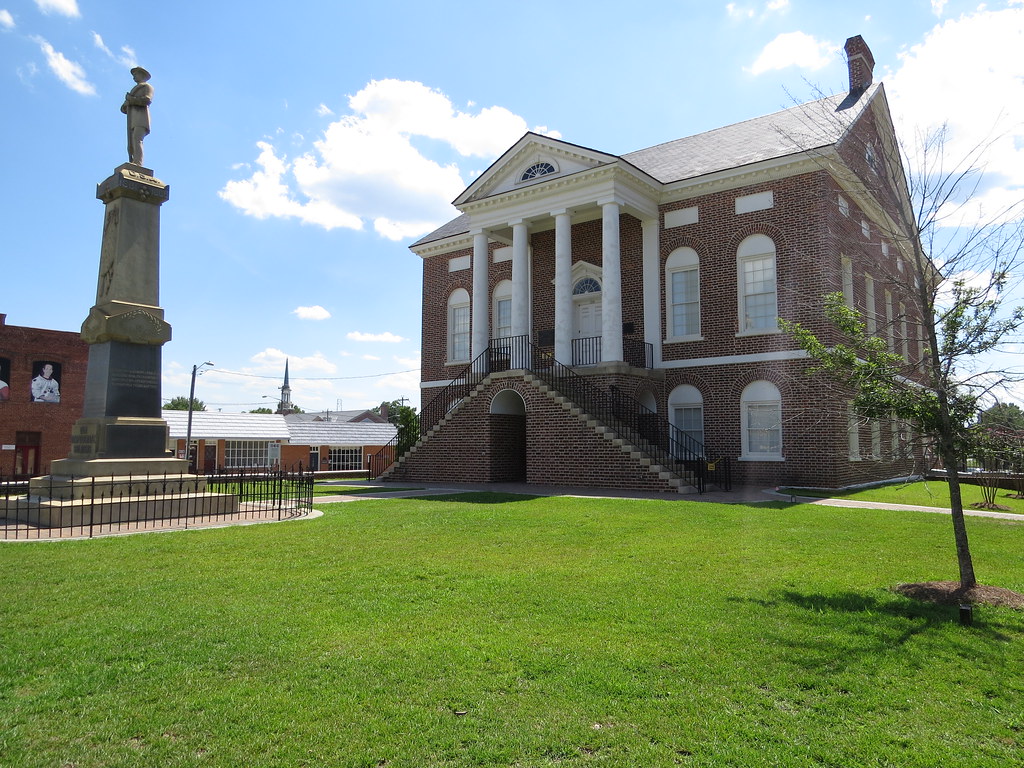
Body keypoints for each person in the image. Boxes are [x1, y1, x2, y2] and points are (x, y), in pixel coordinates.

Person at [121, 66, 153, 166]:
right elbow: (123, 108)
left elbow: (147, 100)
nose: (134, 77)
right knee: (131, 142)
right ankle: (133, 160)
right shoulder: (134, 89)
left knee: (137, 139)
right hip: (132, 119)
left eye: (136, 74)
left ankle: (138, 162)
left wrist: (131, 99)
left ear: (142, 75)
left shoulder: (147, 87)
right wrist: (126, 104)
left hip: (141, 118)